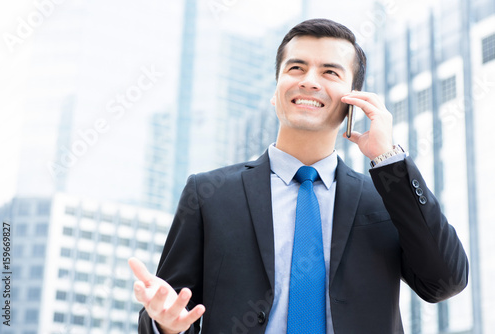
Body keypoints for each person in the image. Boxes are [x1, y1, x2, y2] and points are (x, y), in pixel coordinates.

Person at [128, 18, 468, 334]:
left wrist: (389, 157)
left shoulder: (385, 198)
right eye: (296, 67)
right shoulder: (209, 194)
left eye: (330, 72)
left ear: (354, 101)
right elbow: (170, 307)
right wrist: (167, 326)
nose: (309, 80)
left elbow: (445, 281)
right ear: (276, 91)